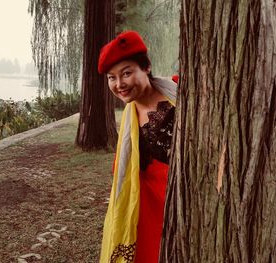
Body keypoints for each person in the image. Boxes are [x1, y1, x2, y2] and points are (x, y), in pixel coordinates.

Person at [98, 30, 177, 263]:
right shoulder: (129, 124)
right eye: (112, 78)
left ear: (147, 67)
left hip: (191, 205)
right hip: (152, 218)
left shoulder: (180, 93)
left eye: (126, 73)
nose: (119, 84)